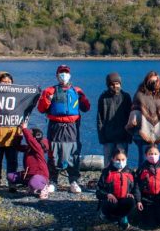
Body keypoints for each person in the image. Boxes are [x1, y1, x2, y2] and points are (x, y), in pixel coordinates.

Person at [37, 64, 91, 194]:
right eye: (61, 72)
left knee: (73, 152)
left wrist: (83, 98)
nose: (64, 75)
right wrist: (46, 100)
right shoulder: (50, 90)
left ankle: (73, 181)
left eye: (66, 72)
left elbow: (86, 107)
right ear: (57, 76)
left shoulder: (77, 90)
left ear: (70, 75)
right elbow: (41, 109)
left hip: (72, 126)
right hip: (55, 125)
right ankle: (53, 181)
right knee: (53, 152)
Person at [128, 71, 160, 165]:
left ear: (159, 81)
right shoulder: (140, 94)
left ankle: (158, 179)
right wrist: (133, 123)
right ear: (146, 81)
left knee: (159, 160)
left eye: (155, 81)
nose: (153, 83)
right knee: (143, 160)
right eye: (151, 80)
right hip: (144, 134)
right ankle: (141, 178)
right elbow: (135, 112)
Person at [0, 71, 20, 192]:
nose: (6, 84)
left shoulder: (18, 97)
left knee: (12, 161)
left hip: (12, 135)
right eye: (3, 82)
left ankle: (12, 183)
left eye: (9, 82)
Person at [97, 72, 133, 165]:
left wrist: (129, 135)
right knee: (108, 162)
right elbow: (99, 119)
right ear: (108, 85)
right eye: (112, 84)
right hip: (108, 137)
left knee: (122, 162)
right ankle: (107, 179)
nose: (115, 86)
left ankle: (122, 179)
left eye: (117, 83)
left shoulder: (126, 97)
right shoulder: (103, 98)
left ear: (120, 84)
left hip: (123, 136)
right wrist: (102, 137)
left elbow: (130, 117)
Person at [96, 149, 136, 230]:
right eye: (117, 159)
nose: (120, 162)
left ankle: (123, 216)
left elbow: (136, 188)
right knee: (110, 202)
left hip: (124, 200)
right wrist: (107, 194)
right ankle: (105, 214)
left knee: (131, 201)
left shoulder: (131, 172)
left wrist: (132, 193)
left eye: (123, 159)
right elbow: (98, 191)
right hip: (110, 201)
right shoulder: (107, 172)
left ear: (126, 159)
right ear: (112, 159)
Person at [10, 122, 50, 199]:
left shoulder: (39, 148)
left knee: (34, 182)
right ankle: (31, 186)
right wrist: (19, 135)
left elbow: (30, 140)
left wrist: (25, 129)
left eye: (31, 134)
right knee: (10, 176)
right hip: (29, 174)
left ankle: (44, 187)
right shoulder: (29, 148)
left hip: (40, 175)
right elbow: (17, 146)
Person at [134, 145, 160, 229]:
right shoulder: (142, 169)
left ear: (159, 154)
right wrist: (138, 200)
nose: (153, 156)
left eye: (155, 153)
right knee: (150, 224)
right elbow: (137, 186)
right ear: (146, 155)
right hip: (147, 199)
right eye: (150, 154)